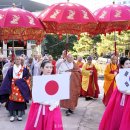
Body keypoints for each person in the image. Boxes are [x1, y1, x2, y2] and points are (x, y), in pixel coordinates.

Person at [24, 60, 63, 130]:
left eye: (51, 67)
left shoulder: (55, 79)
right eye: (47, 67)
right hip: (41, 108)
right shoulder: (38, 80)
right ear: (41, 68)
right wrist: (48, 102)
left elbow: (58, 94)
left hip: (53, 108)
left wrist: (55, 103)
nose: (49, 69)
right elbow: (35, 97)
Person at [99, 57, 130, 130]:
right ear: (122, 65)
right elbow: (122, 89)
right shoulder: (119, 75)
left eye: (129, 63)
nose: (129, 65)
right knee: (120, 114)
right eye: (127, 64)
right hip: (121, 97)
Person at [0, 56, 31, 122]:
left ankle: (19, 115)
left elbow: (27, 77)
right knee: (12, 101)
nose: (18, 60)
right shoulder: (11, 69)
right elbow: (7, 79)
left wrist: (20, 82)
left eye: (19, 59)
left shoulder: (24, 69)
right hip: (12, 87)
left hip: (21, 87)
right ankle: (12, 115)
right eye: (16, 59)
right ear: (14, 60)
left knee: (20, 102)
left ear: (21, 61)